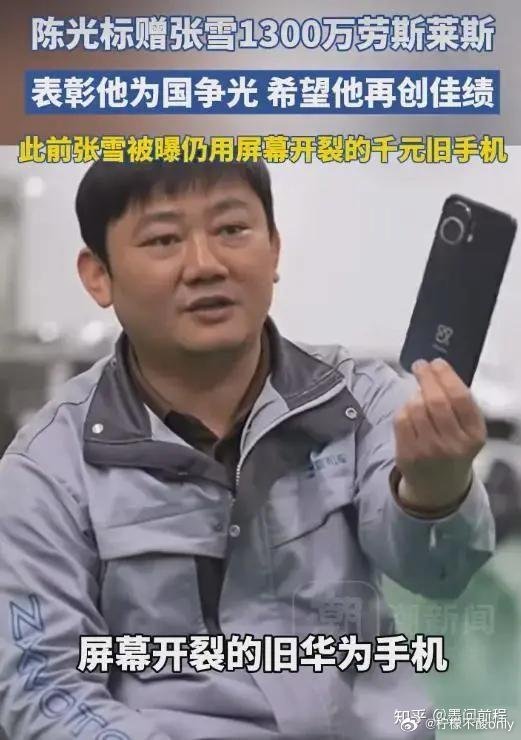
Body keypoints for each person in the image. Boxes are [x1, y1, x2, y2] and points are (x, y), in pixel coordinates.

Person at [0, 159, 495, 740]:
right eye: (163, 239)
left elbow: (440, 575)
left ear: (274, 248)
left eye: (232, 229)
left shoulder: (359, 400)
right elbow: (44, 690)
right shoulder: (48, 469)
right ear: (98, 275)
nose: (206, 265)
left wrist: (436, 488)